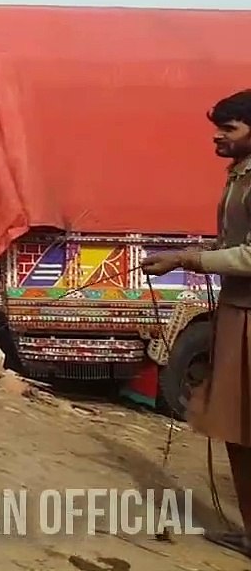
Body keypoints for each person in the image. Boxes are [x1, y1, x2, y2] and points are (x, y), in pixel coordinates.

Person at [142, 88, 251, 559]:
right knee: (235, 426)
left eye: (229, 129)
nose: (218, 137)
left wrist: (193, 258)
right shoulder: (239, 176)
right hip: (237, 309)